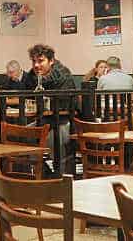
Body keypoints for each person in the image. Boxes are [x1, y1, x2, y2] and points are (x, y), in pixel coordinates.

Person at [24, 44, 75, 175]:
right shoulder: (31, 77)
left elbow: (65, 105)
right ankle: (42, 173)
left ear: (51, 61)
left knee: (55, 138)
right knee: (23, 134)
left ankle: (61, 178)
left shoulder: (63, 76)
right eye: (34, 61)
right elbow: (27, 97)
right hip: (43, 120)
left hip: (63, 120)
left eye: (40, 61)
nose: (36, 65)